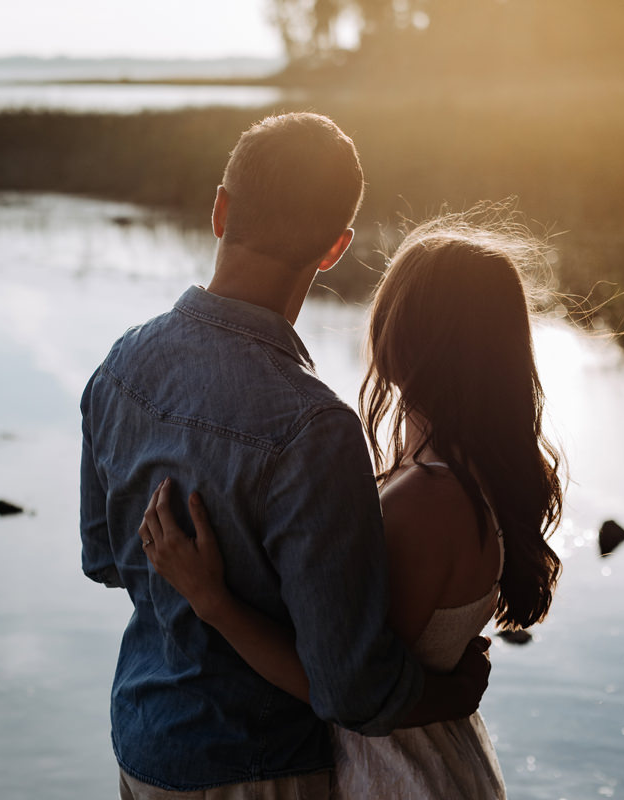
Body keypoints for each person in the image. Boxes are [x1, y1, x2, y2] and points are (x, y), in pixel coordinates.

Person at [80, 113, 493, 800]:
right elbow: (350, 689)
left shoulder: (118, 365)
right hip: (258, 767)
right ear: (334, 248)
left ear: (220, 209)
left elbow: (104, 559)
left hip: (142, 745)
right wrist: (446, 692)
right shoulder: (314, 427)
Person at [139, 215, 565, 798]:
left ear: (409, 336)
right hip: (431, 762)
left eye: (387, 306)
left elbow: (340, 688)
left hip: (397, 779)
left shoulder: (429, 500)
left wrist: (211, 600)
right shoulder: (464, 474)